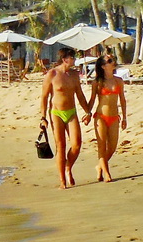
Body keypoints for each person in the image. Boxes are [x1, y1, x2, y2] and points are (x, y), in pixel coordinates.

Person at [40, 47, 91, 189]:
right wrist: (43, 117)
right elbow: (44, 97)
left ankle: (68, 166)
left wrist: (88, 112)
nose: (75, 60)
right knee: (60, 146)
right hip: (56, 113)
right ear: (65, 59)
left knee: (76, 144)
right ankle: (62, 180)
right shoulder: (52, 74)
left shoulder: (74, 75)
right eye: (73, 57)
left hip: (71, 112)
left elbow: (80, 95)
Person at [85, 54, 127, 182]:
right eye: (109, 61)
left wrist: (124, 117)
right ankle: (107, 173)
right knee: (102, 146)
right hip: (100, 116)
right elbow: (92, 100)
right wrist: (87, 113)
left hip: (114, 116)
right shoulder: (97, 82)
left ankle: (100, 166)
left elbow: (122, 100)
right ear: (103, 66)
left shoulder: (118, 80)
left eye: (113, 60)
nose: (113, 62)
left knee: (113, 147)